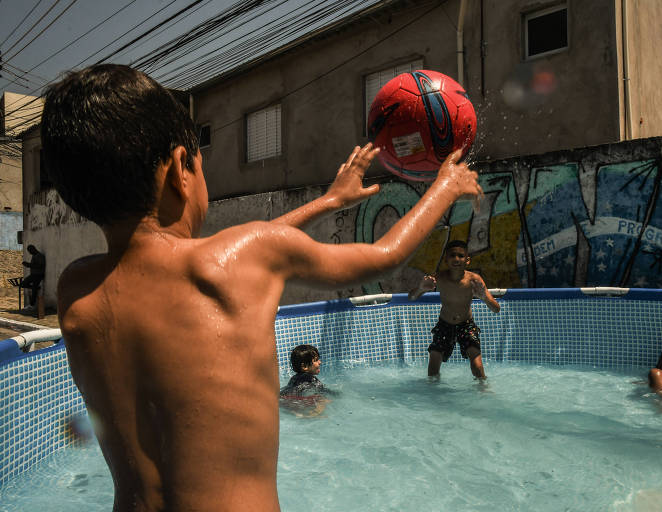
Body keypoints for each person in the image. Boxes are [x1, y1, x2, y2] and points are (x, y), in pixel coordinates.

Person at [41, 64, 481, 512]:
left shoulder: (77, 288)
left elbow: (245, 246)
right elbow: (385, 254)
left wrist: (329, 202)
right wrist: (445, 186)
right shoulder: (244, 259)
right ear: (179, 170)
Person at [408, 239, 500, 379]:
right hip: (444, 325)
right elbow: (411, 298)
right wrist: (420, 288)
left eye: (460, 256)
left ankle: (483, 392)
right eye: (452, 255)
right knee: (433, 367)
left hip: (466, 325)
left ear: (467, 260)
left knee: (477, 366)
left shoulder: (474, 280)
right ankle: (433, 395)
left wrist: (484, 297)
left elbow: (496, 309)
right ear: (446, 259)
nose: (456, 259)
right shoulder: (439, 277)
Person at [279, 344, 334, 417]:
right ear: (304, 366)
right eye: (316, 360)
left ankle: (297, 413)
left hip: (282, 399)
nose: (320, 362)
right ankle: (313, 415)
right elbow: (323, 391)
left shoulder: (294, 378)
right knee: (322, 399)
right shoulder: (311, 378)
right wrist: (335, 394)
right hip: (295, 401)